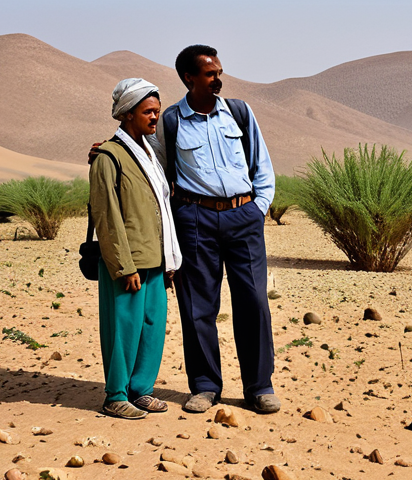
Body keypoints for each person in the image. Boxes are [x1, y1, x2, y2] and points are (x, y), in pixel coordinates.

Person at [147, 45, 279, 414]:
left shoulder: (238, 112)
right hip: (195, 220)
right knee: (197, 307)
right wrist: (105, 153)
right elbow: (151, 165)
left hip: (244, 218)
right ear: (189, 78)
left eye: (219, 72)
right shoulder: (171, 121)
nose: (218, 79)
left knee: (253, 302)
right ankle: (205, 386)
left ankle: (259, 386)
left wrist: (258, 208)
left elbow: (261, 163)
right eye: (210, 74)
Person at [89, 78, 183, 419]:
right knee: (122, 329)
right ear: (128, 115)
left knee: (151, 326)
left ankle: (141, 390)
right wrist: (123, 265)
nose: (155, 117)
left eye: (157, 111)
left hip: (158, 257)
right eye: (148, 112)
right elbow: (107, 216)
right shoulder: (108, 157)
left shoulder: (150, 154)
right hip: (127, 261)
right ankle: (116, 394)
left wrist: (169, 259)